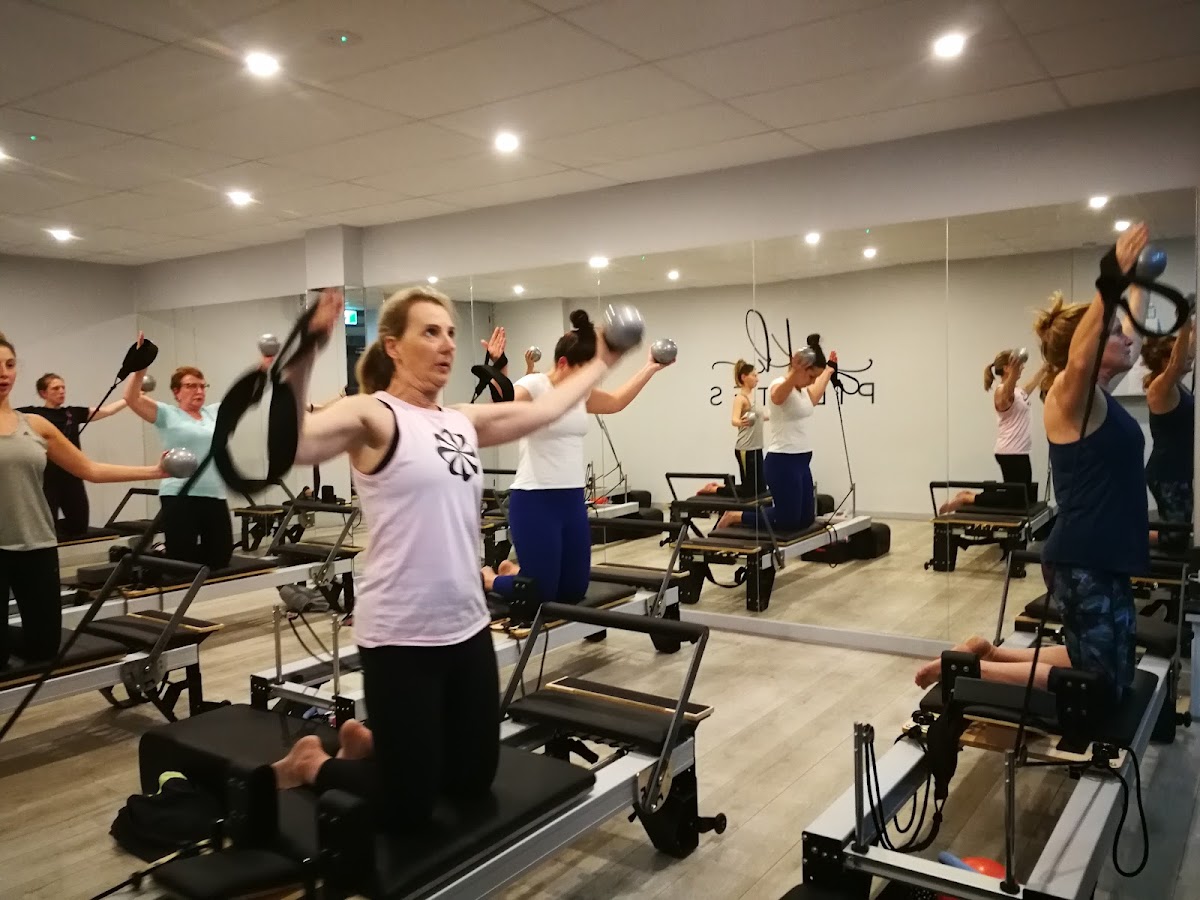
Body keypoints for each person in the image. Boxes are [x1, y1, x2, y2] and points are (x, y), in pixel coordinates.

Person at [265, 287, 630, 833]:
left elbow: (551, 406)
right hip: (399, 632)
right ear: (392, 346)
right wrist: (305, 352)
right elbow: (292, 446)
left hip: (466, 624)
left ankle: (369, 743)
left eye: (451, 333)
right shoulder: (374, 414)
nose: (446, 345)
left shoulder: (461, 419)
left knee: (470, 779)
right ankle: (313, 762)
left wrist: (603, 356)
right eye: (430, 332)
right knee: (409, 802)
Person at [915, 223, 1151, 700]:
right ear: (1083, 347)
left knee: (1107, 661)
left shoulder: (1099, 397)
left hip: (1103, 556)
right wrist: (1112, 279)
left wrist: (1137, 282)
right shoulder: (1068, 391)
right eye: (1113, 332)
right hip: (1083, 559)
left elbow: (1132, 339)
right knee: (1102, 681)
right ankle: (964, 673)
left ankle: (990, 654)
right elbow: (1084, 357)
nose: (1127, 340)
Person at [0, 331, 167, 670]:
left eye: (9, 364)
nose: (3, 373)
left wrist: (155, 470)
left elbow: (90, 469)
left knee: (44, 647)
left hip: (37, 546)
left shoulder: (36, 425)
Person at [481, 310, 671, 604]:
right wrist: (500, 365)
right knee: (541, 592)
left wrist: (649, 368)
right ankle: (490, 578)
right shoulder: (535, 385)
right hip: (535, 499)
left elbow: (617, 401)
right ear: (562, 363)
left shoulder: (578, 394)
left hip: (571, 500)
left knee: (573, 590)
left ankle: (512, 570)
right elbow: (503, 405)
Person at [716, 335, 836, 531]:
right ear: (800, 370)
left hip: (802, 460)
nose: (812, 381)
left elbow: (815, 396)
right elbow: (777, 396)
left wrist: (828, 371)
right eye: (811, 376)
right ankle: (735, 516)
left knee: (805, 519)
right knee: (787, 519)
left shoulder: (803, 391)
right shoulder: (779, 384)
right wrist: (794, 373)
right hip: (783, 461)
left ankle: (741, 516)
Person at [123, 361, 234, 569]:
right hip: (178, 494)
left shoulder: (214, 413)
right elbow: (130, 398)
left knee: (221, 559)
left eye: (202, 386)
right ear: (177, 392)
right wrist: (140, 370)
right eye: (191, 386)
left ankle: (161, 550)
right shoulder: (167, 415)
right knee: (182, 560)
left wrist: (264, 366)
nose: (198, 390)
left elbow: (246, 396)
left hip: (214, 494)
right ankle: (161, 551)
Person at [18, 373, 131, 539]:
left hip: (72, 474)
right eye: (56, 388)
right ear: (43, 393)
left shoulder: (72, 413)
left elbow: (107, 411)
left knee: (79, 525)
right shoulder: (32, 414)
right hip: (46, 477)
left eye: (63, 387)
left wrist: (131, 398)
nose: (62, 391)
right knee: (47, 526)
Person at [938, 349, 1048, 514]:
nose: (1022, 368)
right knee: (1016, 500)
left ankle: (971, 497)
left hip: (1020, 452)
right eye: (1019, 365)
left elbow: (1032, 382)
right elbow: (1007, 393)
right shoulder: (1002, 391)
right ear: (1006, 368)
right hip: (1010, 452)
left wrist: (1047, 366)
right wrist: (1015, 370)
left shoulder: (1019, 392)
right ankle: (968, 498)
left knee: (1022, 497)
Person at [1141, 316, 1194, 549]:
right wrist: (1183, 324)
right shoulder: (1160, 388)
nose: (1189, 356)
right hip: (1168, 473)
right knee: (1176, 538)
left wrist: (1192, 320)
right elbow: (1177, 362)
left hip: (1178, 470)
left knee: (1179, 532)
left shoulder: (1179, 386)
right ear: (1165, 360)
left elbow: (1188, 351)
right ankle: (1124, 535)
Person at [730, 359, 767, 497]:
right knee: (749, 490)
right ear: (744, 377)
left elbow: (763, 417)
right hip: (746, 449)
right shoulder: (740, 398)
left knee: (761, 487)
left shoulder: (753, 399)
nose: (757, 379)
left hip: (757, 448)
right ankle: (715, 489)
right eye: (754, 375)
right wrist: (740, 422)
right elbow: (734, 420)